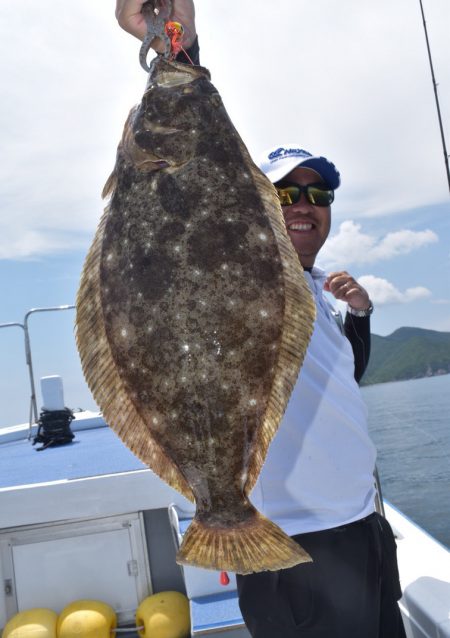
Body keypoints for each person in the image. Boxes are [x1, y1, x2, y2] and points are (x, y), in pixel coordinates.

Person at [115, 2, 406, 636]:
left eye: (318, 194)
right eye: (285, 192)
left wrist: (359, 315)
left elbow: (343, 379)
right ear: (254, 200)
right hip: (295, 548)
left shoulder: (315, 294)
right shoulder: (263, 281)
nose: (305, 205)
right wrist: (179, 48)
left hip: (362, 530)